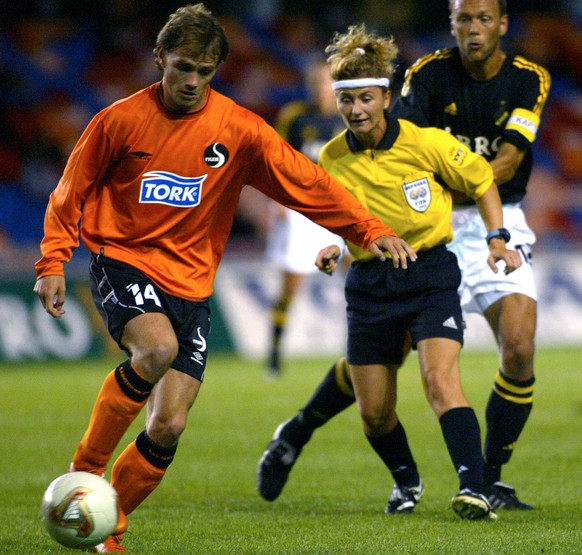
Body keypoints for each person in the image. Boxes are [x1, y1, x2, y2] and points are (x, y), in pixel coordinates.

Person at [33, 5, 417, 553]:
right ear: (160, 58)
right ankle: (84, 471)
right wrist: (52, 262)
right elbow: (69, 192)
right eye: (183, 67)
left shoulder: (238, 130)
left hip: (192, 285)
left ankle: (104, 526)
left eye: (205, 72)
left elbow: (307, 182)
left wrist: (367, 226)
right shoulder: (119, 121)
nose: (191, 82)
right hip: (124, 258)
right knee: (155, 349)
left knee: (168, 426)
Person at [257, 0, 550, 512]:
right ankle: (299, 430)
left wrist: (486, 218)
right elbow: (374, 165)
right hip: (399, 237)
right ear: (452, 22)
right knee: (376, 382)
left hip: (477, 219)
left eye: (484, 18)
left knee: (513, 351)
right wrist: (348, 237)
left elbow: (500, 164)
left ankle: (484, 480)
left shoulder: (527, 80)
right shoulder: (425, 77)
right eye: (463, 18)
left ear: (503, 24)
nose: (473, 29)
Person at [265, 59, 347, 376]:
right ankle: (274, 353)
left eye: (325, 82)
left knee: (356, 280)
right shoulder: (295, 116)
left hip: (339, 209)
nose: (320, 88)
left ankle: (360, 348)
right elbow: (275, 159)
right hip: (302, 211)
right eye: (314, 82)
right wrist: (279, 200)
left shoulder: (347, 117)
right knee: (290, 287)